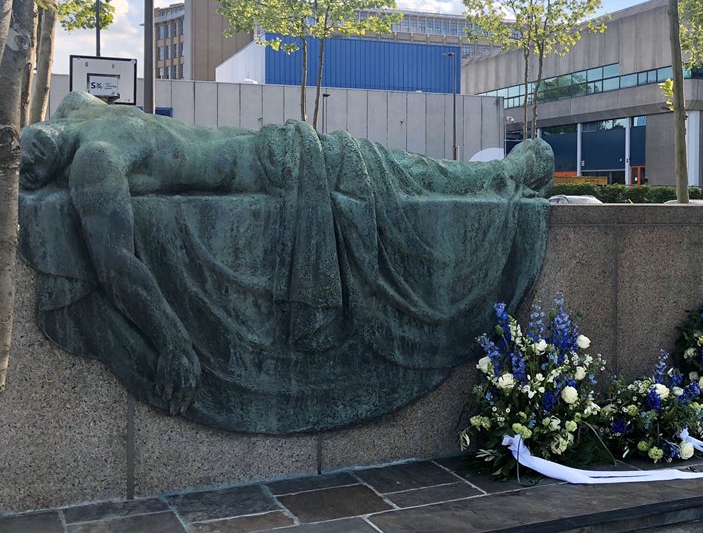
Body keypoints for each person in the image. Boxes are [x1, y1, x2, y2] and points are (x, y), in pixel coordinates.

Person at [21, 92, 553, 424]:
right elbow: (118, 265)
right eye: (24, 166)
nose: (30, 151)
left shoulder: (74, 107)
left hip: (293, 154)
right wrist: (172, 341)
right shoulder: (94, 163)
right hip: (293, 168)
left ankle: (514, 170)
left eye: (22, 143)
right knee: (418, 178)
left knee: (420, 178)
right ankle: (516, 168)